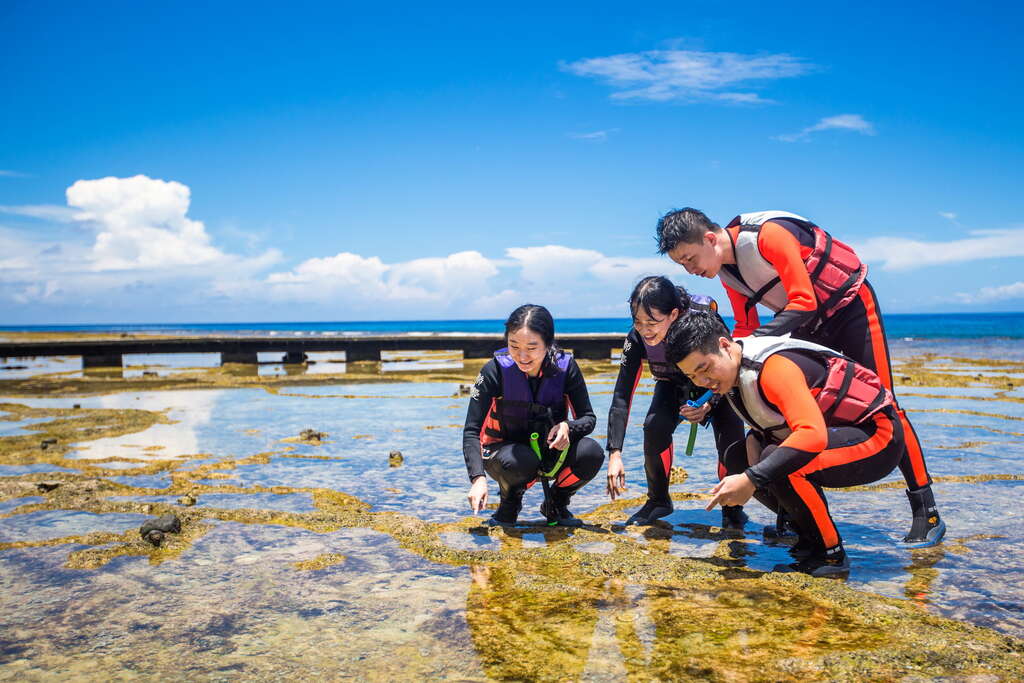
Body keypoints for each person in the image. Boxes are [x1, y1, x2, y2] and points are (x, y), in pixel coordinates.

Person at [655, 208, 944, 548]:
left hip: (849, 308)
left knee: (884, 403)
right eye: (682, 265)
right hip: (808, 325)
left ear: (709, 238)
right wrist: (715, 389)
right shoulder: (727, 275)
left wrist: (754, 347)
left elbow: (804, 301)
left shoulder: (768, 236)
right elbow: (745, 332)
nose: (690, 270)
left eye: (690, 258)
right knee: (788, 415)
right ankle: (797, 516)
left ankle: (926, 508)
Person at [666, 311, 906, 576]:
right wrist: (750, 467)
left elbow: (812, 435)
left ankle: (830, 555)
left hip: (877, 437)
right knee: (738, 459)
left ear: (724, 345)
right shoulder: (734, 372)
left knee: (781, 464)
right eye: (692, 377)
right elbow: (767, 426)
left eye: (705, 369)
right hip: (836, 433)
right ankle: (803, 533)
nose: (702, 382)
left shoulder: (773, 368)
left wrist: (753, 479)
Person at [605, 276, 748, 528]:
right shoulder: (638, 337)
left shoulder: (704, 321)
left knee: (731, 440)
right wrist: (615, 452)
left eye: (652, 322)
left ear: (674, 314)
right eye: (638, 321)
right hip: (673, 384)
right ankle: (658, 500)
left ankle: (732, 509)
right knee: (654, 426)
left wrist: (709, 403)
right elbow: (621, 395)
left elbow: (729, 368)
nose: (645, 329)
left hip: (718, 385)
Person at [463, 304, 604, 527]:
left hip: (550, 452)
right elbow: (472, 430)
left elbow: (588, 418)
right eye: (514, 346)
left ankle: (556, 503)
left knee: (591, 452)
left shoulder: (566, 368)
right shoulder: (494, 371)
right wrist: (477, 478)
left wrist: (568, 426)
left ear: (548, 344)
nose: (522, 356)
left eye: (531, 347)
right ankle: (509, 504)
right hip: (504, 455)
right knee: (521, 459)